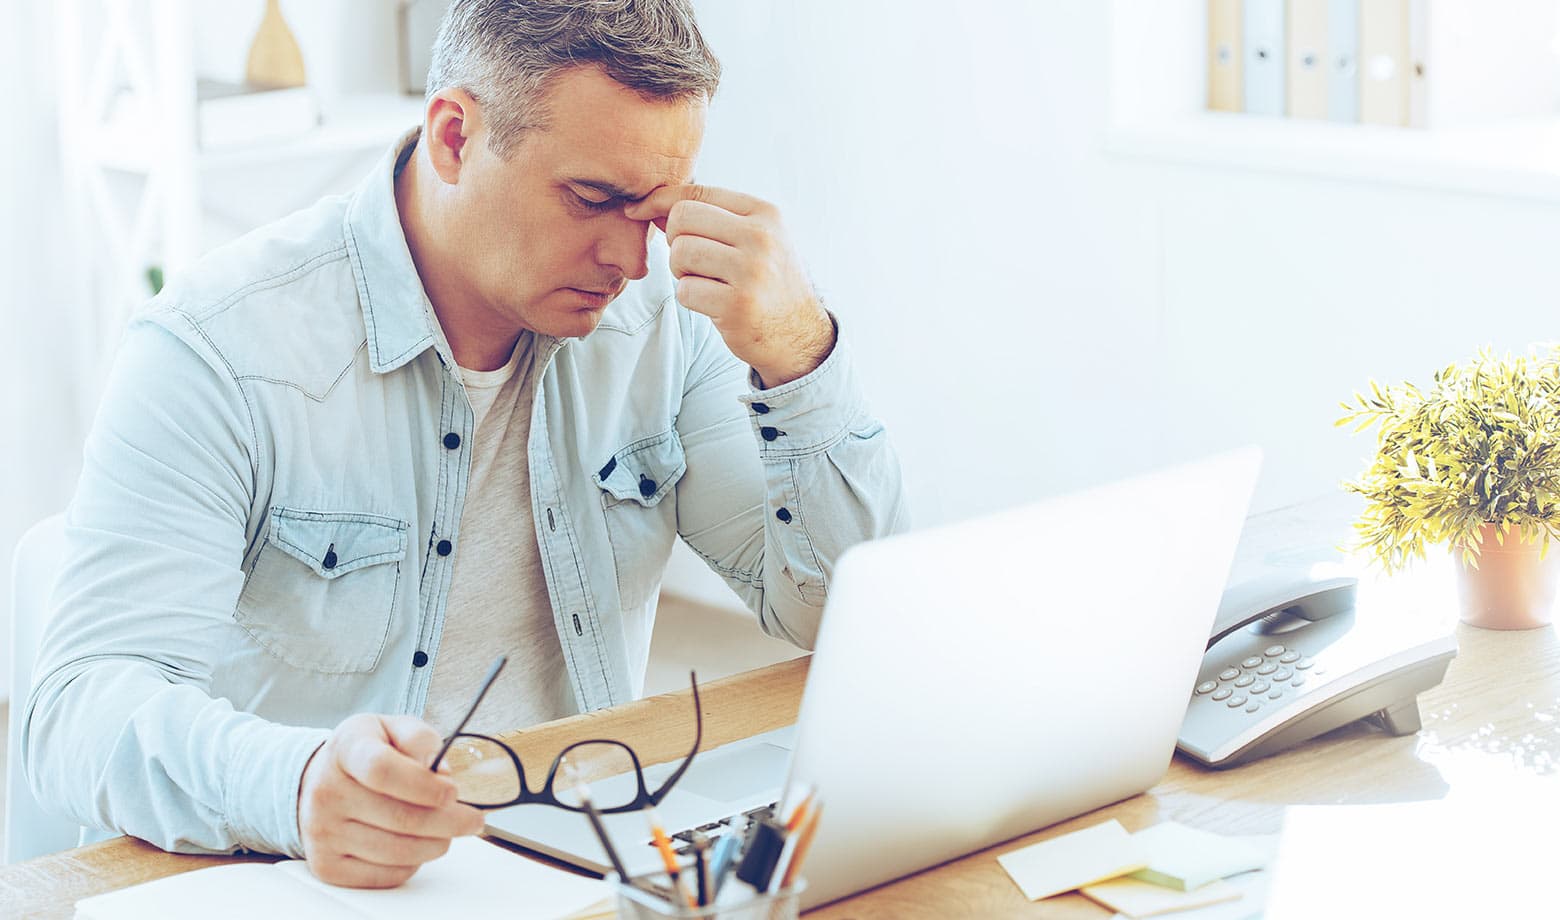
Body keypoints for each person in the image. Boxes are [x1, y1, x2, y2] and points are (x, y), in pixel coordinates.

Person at [23, 0, 906, 890]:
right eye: (594, 199)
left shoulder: (657, 326)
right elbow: (78, 714)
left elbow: (832, 614)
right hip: (306, 878)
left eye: (657, 211)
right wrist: (290, 786)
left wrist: (799, 356)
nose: (634, 262)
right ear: (453, 136)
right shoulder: (218, 351)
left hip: (577, 866)